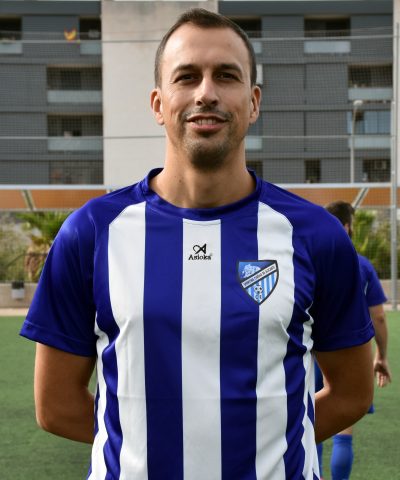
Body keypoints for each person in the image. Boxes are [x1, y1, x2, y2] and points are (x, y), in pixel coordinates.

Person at [20, 8, 374, 479]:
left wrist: (258, 447)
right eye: (186, 77)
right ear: (158, 103)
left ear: (253, 102)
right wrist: (162, 449)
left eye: (226, 75)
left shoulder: (315, 235)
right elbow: (55, 405)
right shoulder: (91, 232)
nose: (206, 93)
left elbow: (352, 393)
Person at [315, 200, 392, 480]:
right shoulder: (360, 264)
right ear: (347, 226)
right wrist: (381, 355)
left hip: (311, 354)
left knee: (310, 422)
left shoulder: (308, 257)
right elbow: (378, 317)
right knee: (343, 428)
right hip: (345, 351)